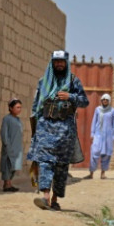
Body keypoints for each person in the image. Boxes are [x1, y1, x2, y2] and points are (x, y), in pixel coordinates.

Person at [28, 50, 89, 211]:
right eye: (56, 62)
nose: (59, 64)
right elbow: (36, 106)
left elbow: (84, 101)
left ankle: (54, 199)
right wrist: (35, 127)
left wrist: (70, 97)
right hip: (45, 127)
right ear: (52, 63)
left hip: (65, 130)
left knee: (61, 166)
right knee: (45, 162)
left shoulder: (73, 81)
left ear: (66, 63)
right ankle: (45, 196)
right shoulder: (43, 82)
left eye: (62, 61)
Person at [88, 94, 114, 179]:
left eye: (106, 100)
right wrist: (92, 134)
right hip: (98, 135)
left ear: (109, 101)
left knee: (106, 155)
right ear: (101, 101)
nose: (105, 101)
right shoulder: (97, 110)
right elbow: (94, 122)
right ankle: (91, 173)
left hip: (108, 136)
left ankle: (103, 173)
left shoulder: (112, 111)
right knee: (94, 153)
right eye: (103, 100)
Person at [0, 97, 24, 192]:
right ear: (10, 108)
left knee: (14, 165)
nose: (19, 109)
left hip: (17, 147)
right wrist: (6, 144)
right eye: (17, 107)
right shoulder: (6, 119)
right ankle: (7, 185)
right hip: (9, 146)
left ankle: (10, 183)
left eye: (20, 107)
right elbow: (4, 133)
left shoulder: (18, 120)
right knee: (7, 165)